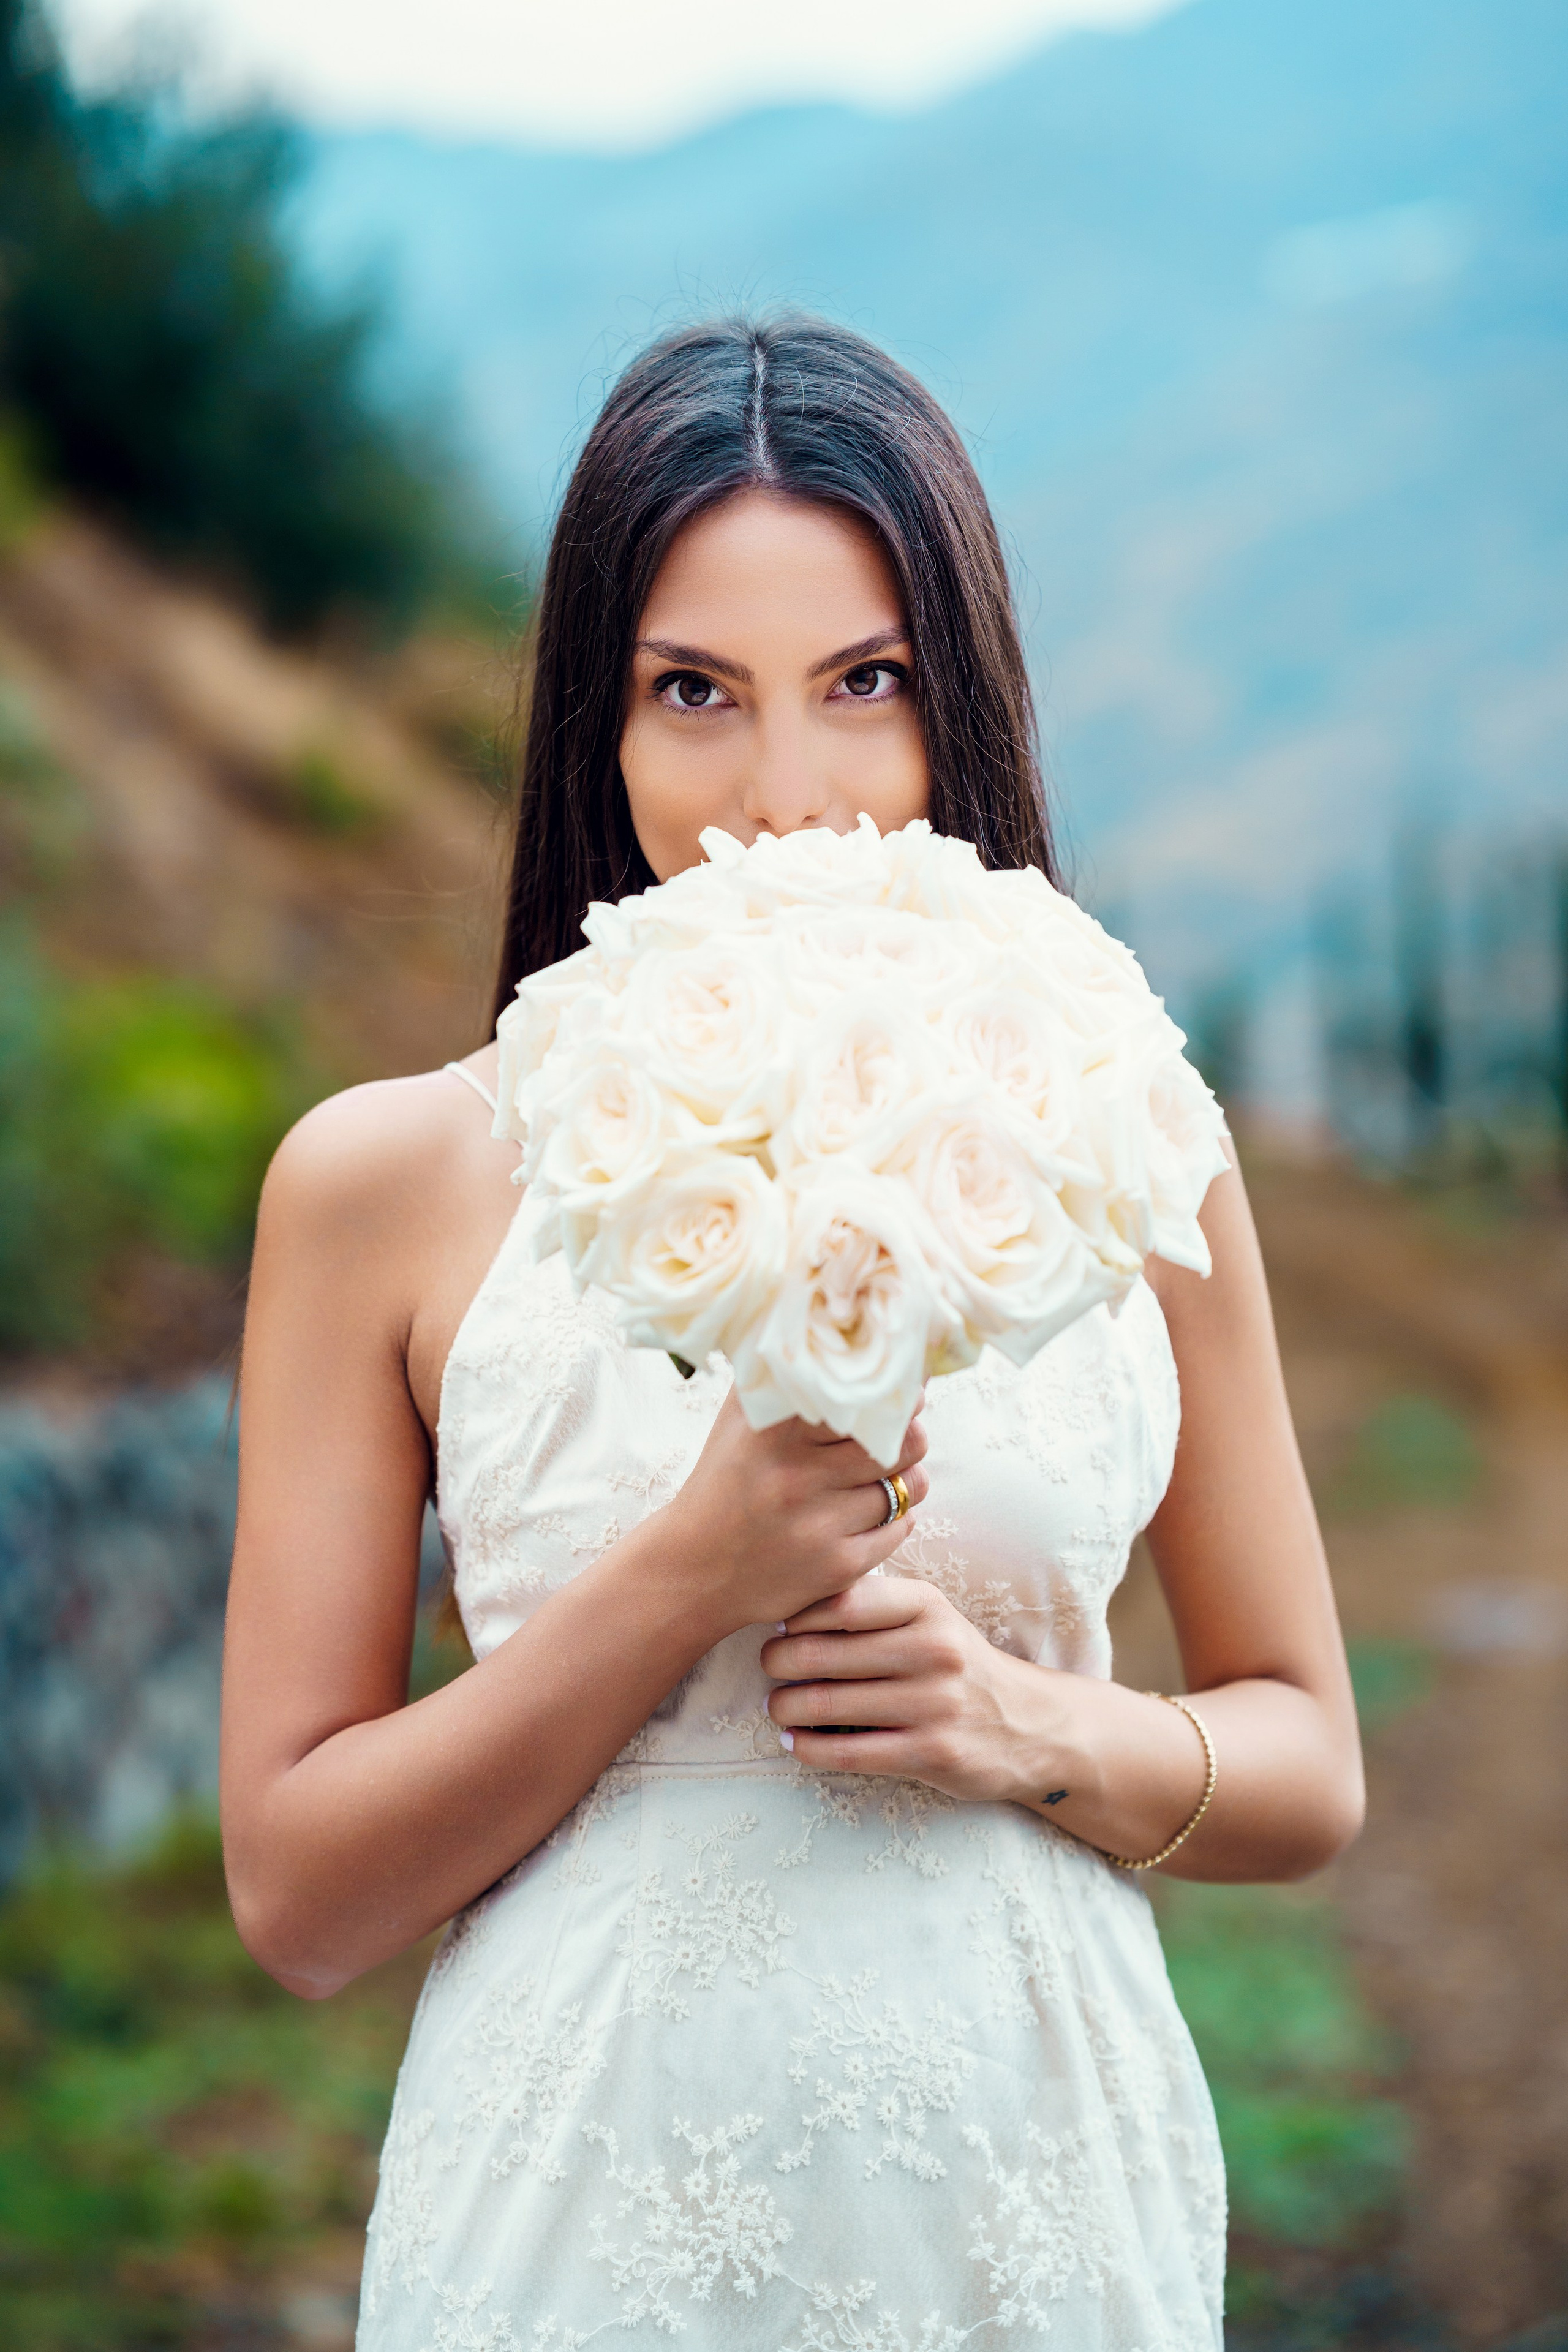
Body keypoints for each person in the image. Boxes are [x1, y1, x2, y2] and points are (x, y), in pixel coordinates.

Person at [221, 315, 1364, 2350]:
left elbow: (1306, 1759)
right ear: (601, 721)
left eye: (866, 686)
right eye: (694, 692)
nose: (787, 794)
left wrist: (1034, 1730)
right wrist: (683, 1582)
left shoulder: (1126, 1144)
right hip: (581, 2210)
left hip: (1037, 2190)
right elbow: (299, 1899)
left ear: (962, 706)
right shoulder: (380, 1183)